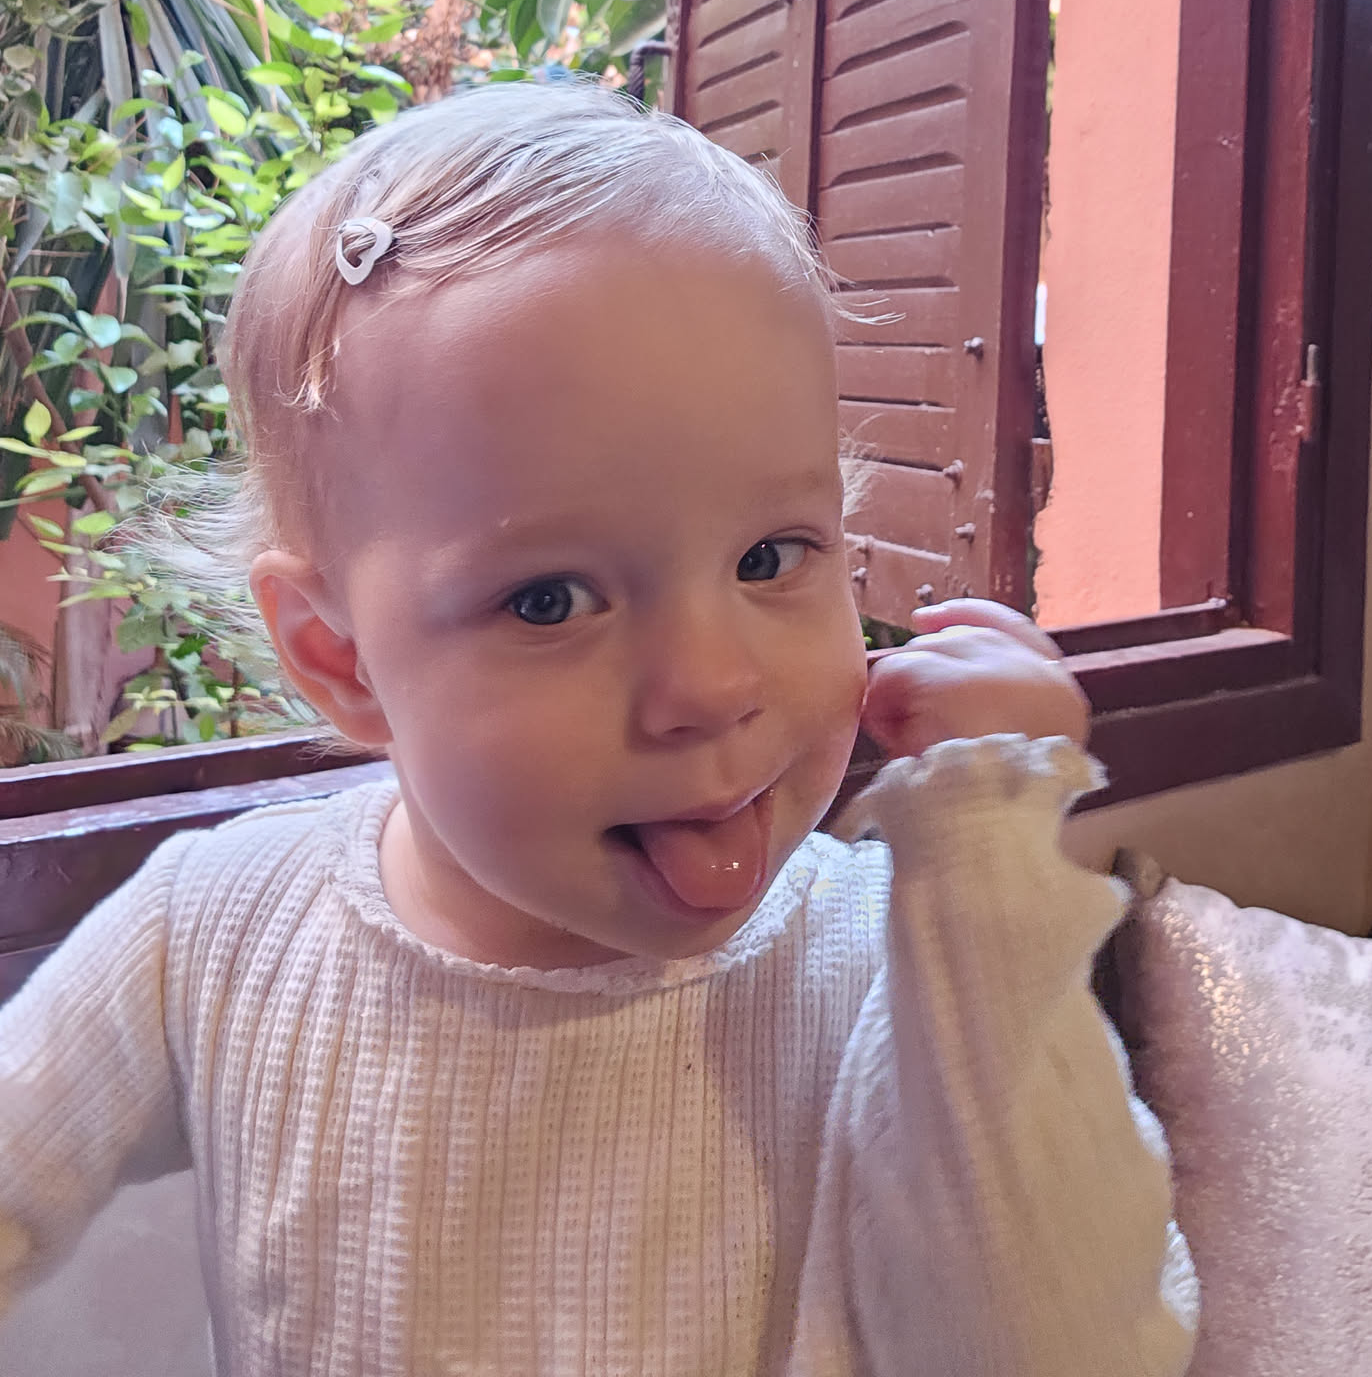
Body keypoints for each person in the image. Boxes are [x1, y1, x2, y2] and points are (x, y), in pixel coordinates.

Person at [0, 83, 1197, 1376]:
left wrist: (989, 882)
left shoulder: (896, 961)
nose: (712, 685)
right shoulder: (212, 932)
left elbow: (1072, 1352)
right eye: (549, 600)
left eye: (769, 557)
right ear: (341, 661)